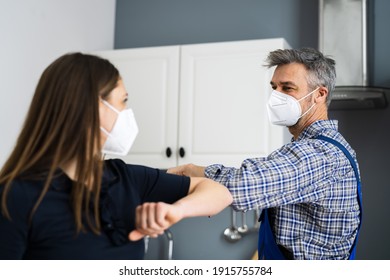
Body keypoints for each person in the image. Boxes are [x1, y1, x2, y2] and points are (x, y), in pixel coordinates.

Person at [0, 52, 232, 260]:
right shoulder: (15, 196)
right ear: (92, 107)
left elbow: (218, 193)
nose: (126, 112)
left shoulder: (124, 177)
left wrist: (176, 210)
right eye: (123, 101)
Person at [168, 48, 363, 260]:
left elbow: (242, 186)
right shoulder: (320, 147)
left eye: (287, 88)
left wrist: (195, 172)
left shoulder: (319, 155)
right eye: (274, 88)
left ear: (319, 94)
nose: (276, 96)